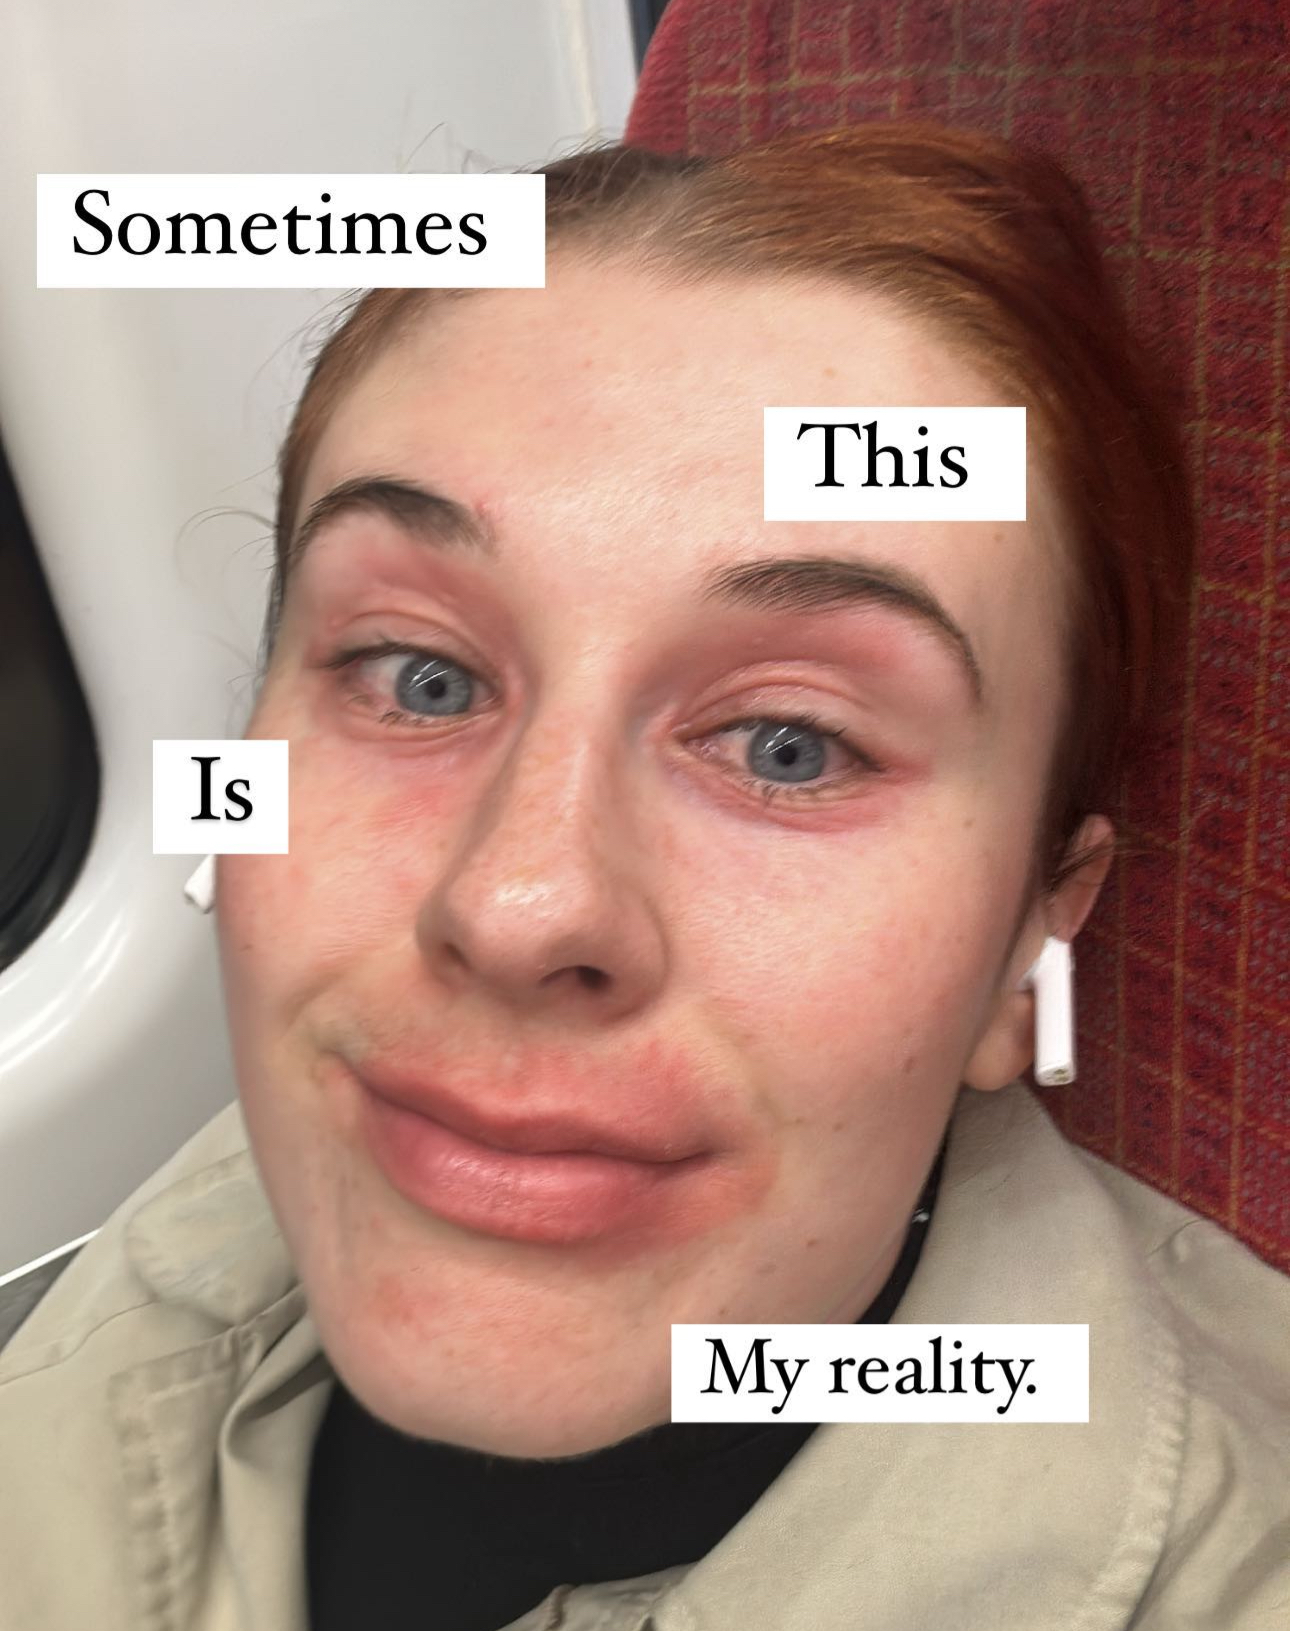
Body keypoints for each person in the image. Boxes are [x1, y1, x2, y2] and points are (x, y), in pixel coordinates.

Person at [1, 125, 1287, 1631]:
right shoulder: (183, 1243)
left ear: (1030, 946)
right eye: (418, 677)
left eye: (791, 746)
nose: (514, 905)